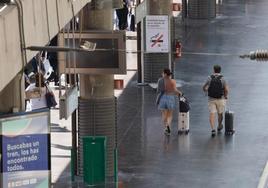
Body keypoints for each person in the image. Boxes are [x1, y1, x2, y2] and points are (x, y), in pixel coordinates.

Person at [203, 65, 229, 136]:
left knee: (212, 114)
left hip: (211, 99)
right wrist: (226, 96)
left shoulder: (209, 78)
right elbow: (226, 89)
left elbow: (204, 87)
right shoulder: (223, 79)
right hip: (221, 99)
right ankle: (219, 125)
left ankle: (212, 129)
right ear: (220, 70)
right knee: (220, 113)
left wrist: (206, 90)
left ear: (214, 70)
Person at [157, 68, 182, 135]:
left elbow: (158, 91)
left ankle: (166, 128)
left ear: (165, 74)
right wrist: (180, 93)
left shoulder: (160, 80)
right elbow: (175, 90)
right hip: (170, 98)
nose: (162, 74)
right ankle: (168, 126)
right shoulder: (173, 81)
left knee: (164, 114)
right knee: (170, 115)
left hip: (162, 98)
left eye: (162, 73)